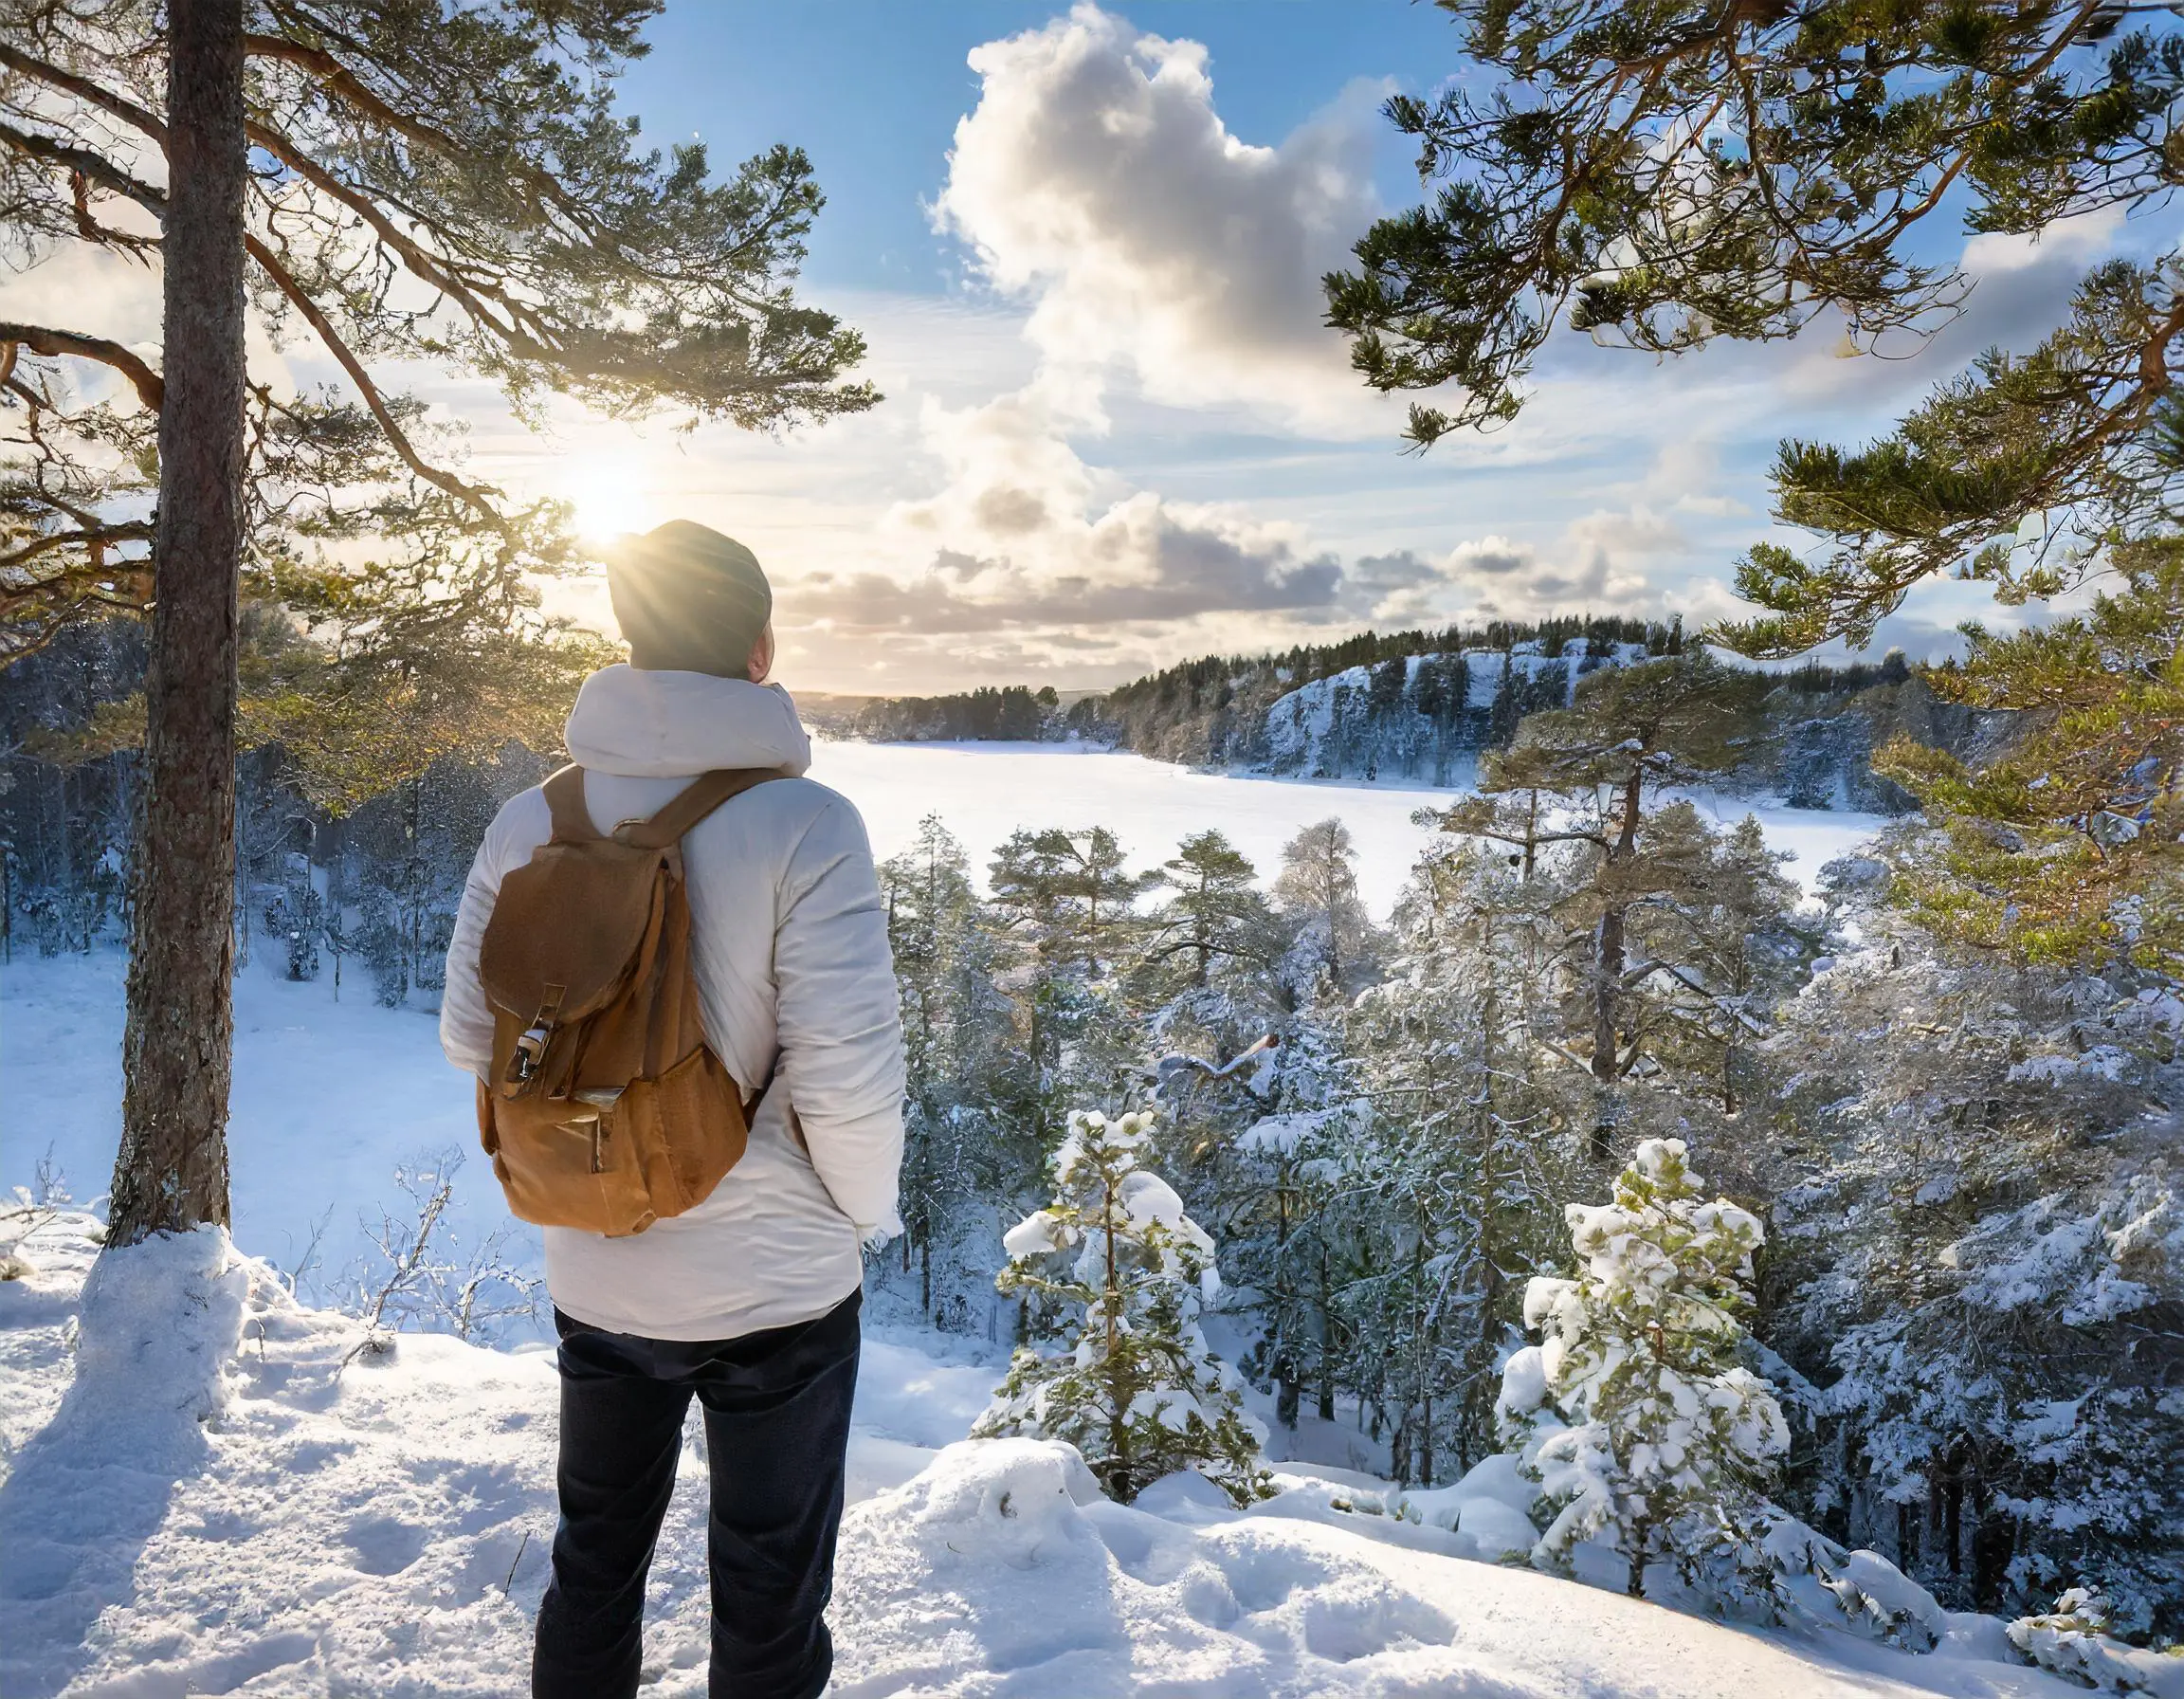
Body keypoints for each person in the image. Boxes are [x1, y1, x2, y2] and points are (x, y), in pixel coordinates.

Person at [440, 520, 905, 1699]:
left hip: (597, 1265)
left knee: (593, 1563)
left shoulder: (532, 818)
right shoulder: (811, 826)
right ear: (761, 646)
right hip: (779, 1293)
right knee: (768, 1593)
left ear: (631, 636)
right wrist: (858, 1221)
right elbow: (848, 1073)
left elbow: (471, 1038)